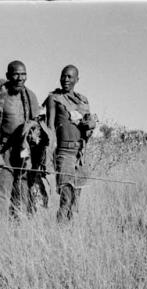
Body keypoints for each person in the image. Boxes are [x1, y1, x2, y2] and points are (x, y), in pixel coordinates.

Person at [0, 60, 43, 226]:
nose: (20, 78)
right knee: (1, 197)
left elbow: (37, 125)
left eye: (23, 74)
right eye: (16, 74)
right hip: (3, 153)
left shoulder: (30, 96)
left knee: (23, 196)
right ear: (8, 76)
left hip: (25, 155)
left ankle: (18, 239)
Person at [43, 65, 97, 222]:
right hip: (64, 152)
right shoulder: (54, 98)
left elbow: (88, 127)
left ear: (77, 80)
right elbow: (50, 126)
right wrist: (48, 154)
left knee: (76, 200)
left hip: (80, 154)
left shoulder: (83, 100)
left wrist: (90, 125)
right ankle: (60, 231)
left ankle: (69, 235)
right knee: (66, 197)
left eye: (70, 77)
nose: (66, 79)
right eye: (63, 76)